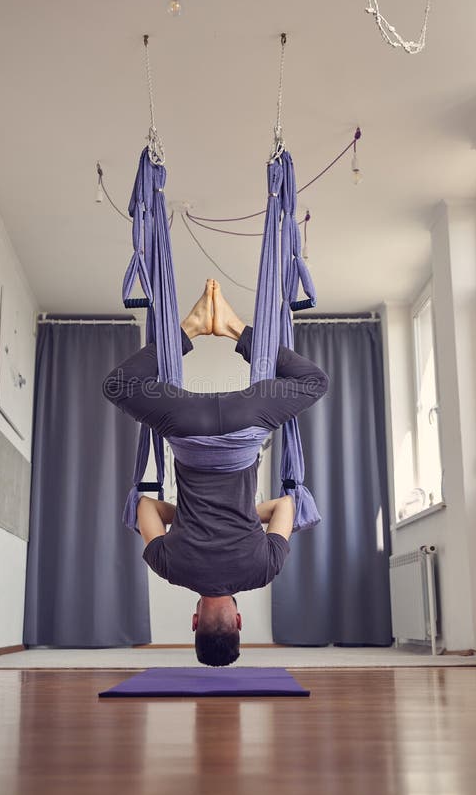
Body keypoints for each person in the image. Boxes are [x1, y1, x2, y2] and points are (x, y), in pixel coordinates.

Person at [103, 279, 329, 666]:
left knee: (314, 382)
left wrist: (245, 516)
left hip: (247, 422)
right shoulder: (170, 568)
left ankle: (235, 328)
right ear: (195, 622)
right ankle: (189, 328)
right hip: (186, 427)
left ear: (239, 621)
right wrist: (189, 518)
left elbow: (286, 506)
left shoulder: (263, 569)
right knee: (118, 386)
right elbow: (144, 506)